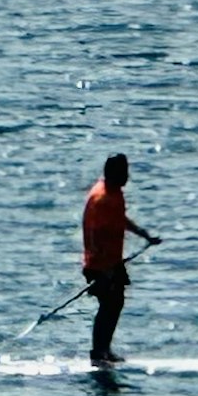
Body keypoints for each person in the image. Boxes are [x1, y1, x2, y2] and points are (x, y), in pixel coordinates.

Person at [81, 152, 156, 370]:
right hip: (100, 264)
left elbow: (119, 220)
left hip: (112, 262)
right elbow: (94, 235)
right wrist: (103, 269)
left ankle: (104, 349)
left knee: (115, 303)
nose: (127, 176)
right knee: (109, 305)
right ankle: (98, 352)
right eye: (124, 171)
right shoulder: (101, 198)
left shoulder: (115, 193)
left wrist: (143, 234)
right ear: (114, 172)